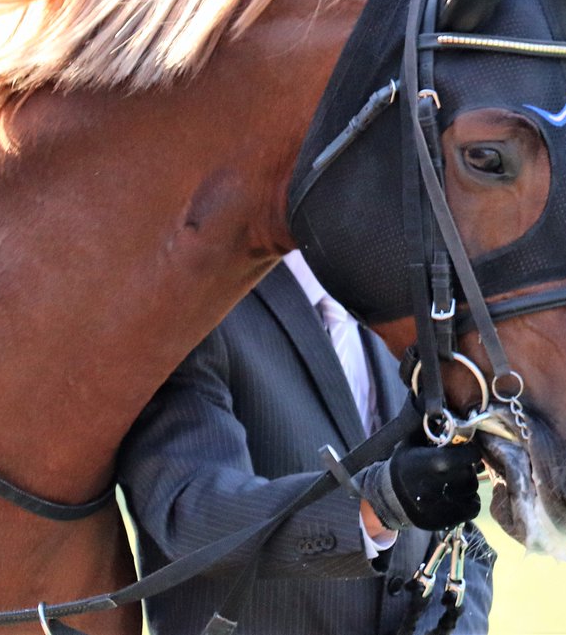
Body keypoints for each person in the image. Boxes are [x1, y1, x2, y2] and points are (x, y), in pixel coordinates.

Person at [117, 251, 494, 634]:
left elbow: (453, 527)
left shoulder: (395, 302)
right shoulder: (194, 304)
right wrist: (374, 506)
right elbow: (191, 512)